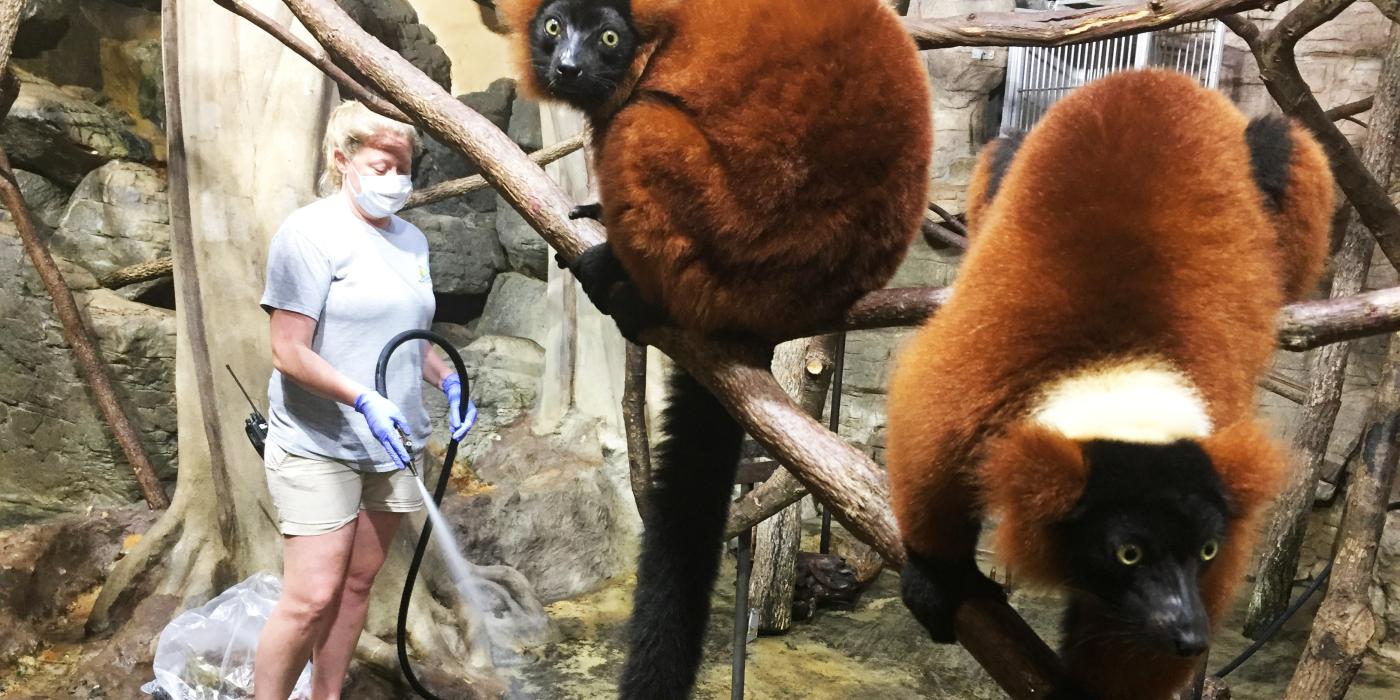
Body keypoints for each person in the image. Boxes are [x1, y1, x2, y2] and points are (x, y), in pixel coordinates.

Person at [253, 100, 474, 699]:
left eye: (405, 168)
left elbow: (406, 341)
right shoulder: (309, 235)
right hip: (319, 442)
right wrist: (361, 399)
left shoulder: (412, 243)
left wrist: (448, 380)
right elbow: (288, 350)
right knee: (310, 597)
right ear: (341, 159)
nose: (397, 180)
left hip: (396, 446)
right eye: (382, 165)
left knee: (356, 587)